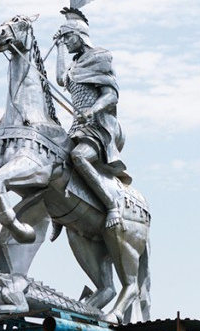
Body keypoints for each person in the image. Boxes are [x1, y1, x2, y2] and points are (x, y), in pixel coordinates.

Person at [54, 7, 132, 230]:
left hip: (98, 127)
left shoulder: (100, 57)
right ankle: (57, 213)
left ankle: (111, 205)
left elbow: (111, 95)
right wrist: (58, 47)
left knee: (78, 156)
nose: (66, 42)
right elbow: (60, 79)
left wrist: (93, 110)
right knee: (53, 159)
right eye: (63, 39)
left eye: (68, 37)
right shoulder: (74, 65)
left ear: (79, 36)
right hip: (78, 127)